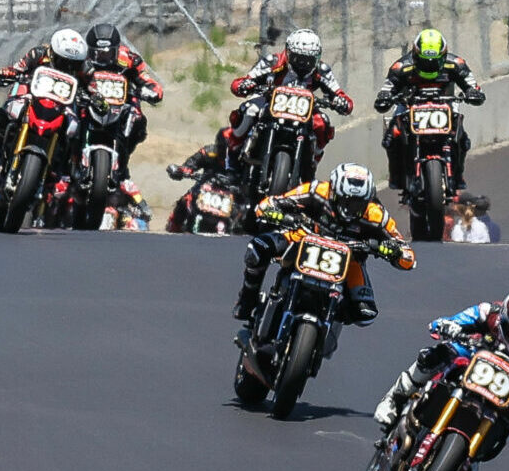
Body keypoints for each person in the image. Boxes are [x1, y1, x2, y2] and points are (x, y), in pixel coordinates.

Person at [372, 287, 509, 469]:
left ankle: (477, 453)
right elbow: (453, 321)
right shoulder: (489, 312)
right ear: (505, 318)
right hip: (475, 352)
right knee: (432, 355)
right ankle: (394, 398)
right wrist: (448, 326)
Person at [234, 163, 415, 326]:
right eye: (346, 200)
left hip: (350, 258)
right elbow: (267, 204)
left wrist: (392, 251)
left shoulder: (376, 215)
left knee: (365, 313)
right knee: (257, 249)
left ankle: (329, 321)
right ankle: (247, 300)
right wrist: (281, 215)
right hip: (301, 238)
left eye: (358, 203)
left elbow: (407, 256)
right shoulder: (316, 191)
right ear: (333, 192)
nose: (350, 208)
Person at [173, 28, 353, 180]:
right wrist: (246, 85)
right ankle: (233, 155)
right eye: (299, 59)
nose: (303, 64)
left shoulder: (322, 70)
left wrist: (341, 101)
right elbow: (241, 82)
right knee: (249, 110)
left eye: (308, 60)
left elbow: (341, 95)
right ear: (289, 53)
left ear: (317, 57)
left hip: (304, 110)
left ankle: (313, 160)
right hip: (270, 102)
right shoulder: (273, 62)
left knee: (324, 123)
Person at [375, 28, 486, 190]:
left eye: (434, 62)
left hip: (445, 103)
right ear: (415, 54)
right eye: (424, 61)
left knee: (461, 137)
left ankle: (457, 174)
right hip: (409, 104)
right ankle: (396, 176)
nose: (429, 66)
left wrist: (473, 93)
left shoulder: (456, 64)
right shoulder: (400, 67)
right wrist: (385, 97)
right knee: (391, 137)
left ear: (443, 55)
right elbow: (386, 90)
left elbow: (474, 86)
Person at [0, 27, 93, 166]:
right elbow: (19, 67)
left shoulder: (85, 67)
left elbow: (93, 88)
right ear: (53, 53)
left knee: (76, 127)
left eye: (72, 64)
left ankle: (68, 167)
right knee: (11, 108)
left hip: (62, 106)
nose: (67, 67)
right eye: (63, 61)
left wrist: (95, 98)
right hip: (33, 96)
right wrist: (10, 73)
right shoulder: (38, 53)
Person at [84, 23, 165, 172]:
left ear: (116, 50)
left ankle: (122, 158)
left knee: (139, 120)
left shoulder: (129, 59)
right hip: (88, 99)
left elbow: (147, 80)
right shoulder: (82, 56)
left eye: (107, 53)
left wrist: (151, 91)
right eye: (98, 53)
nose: (102, 58)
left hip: (120, 105)